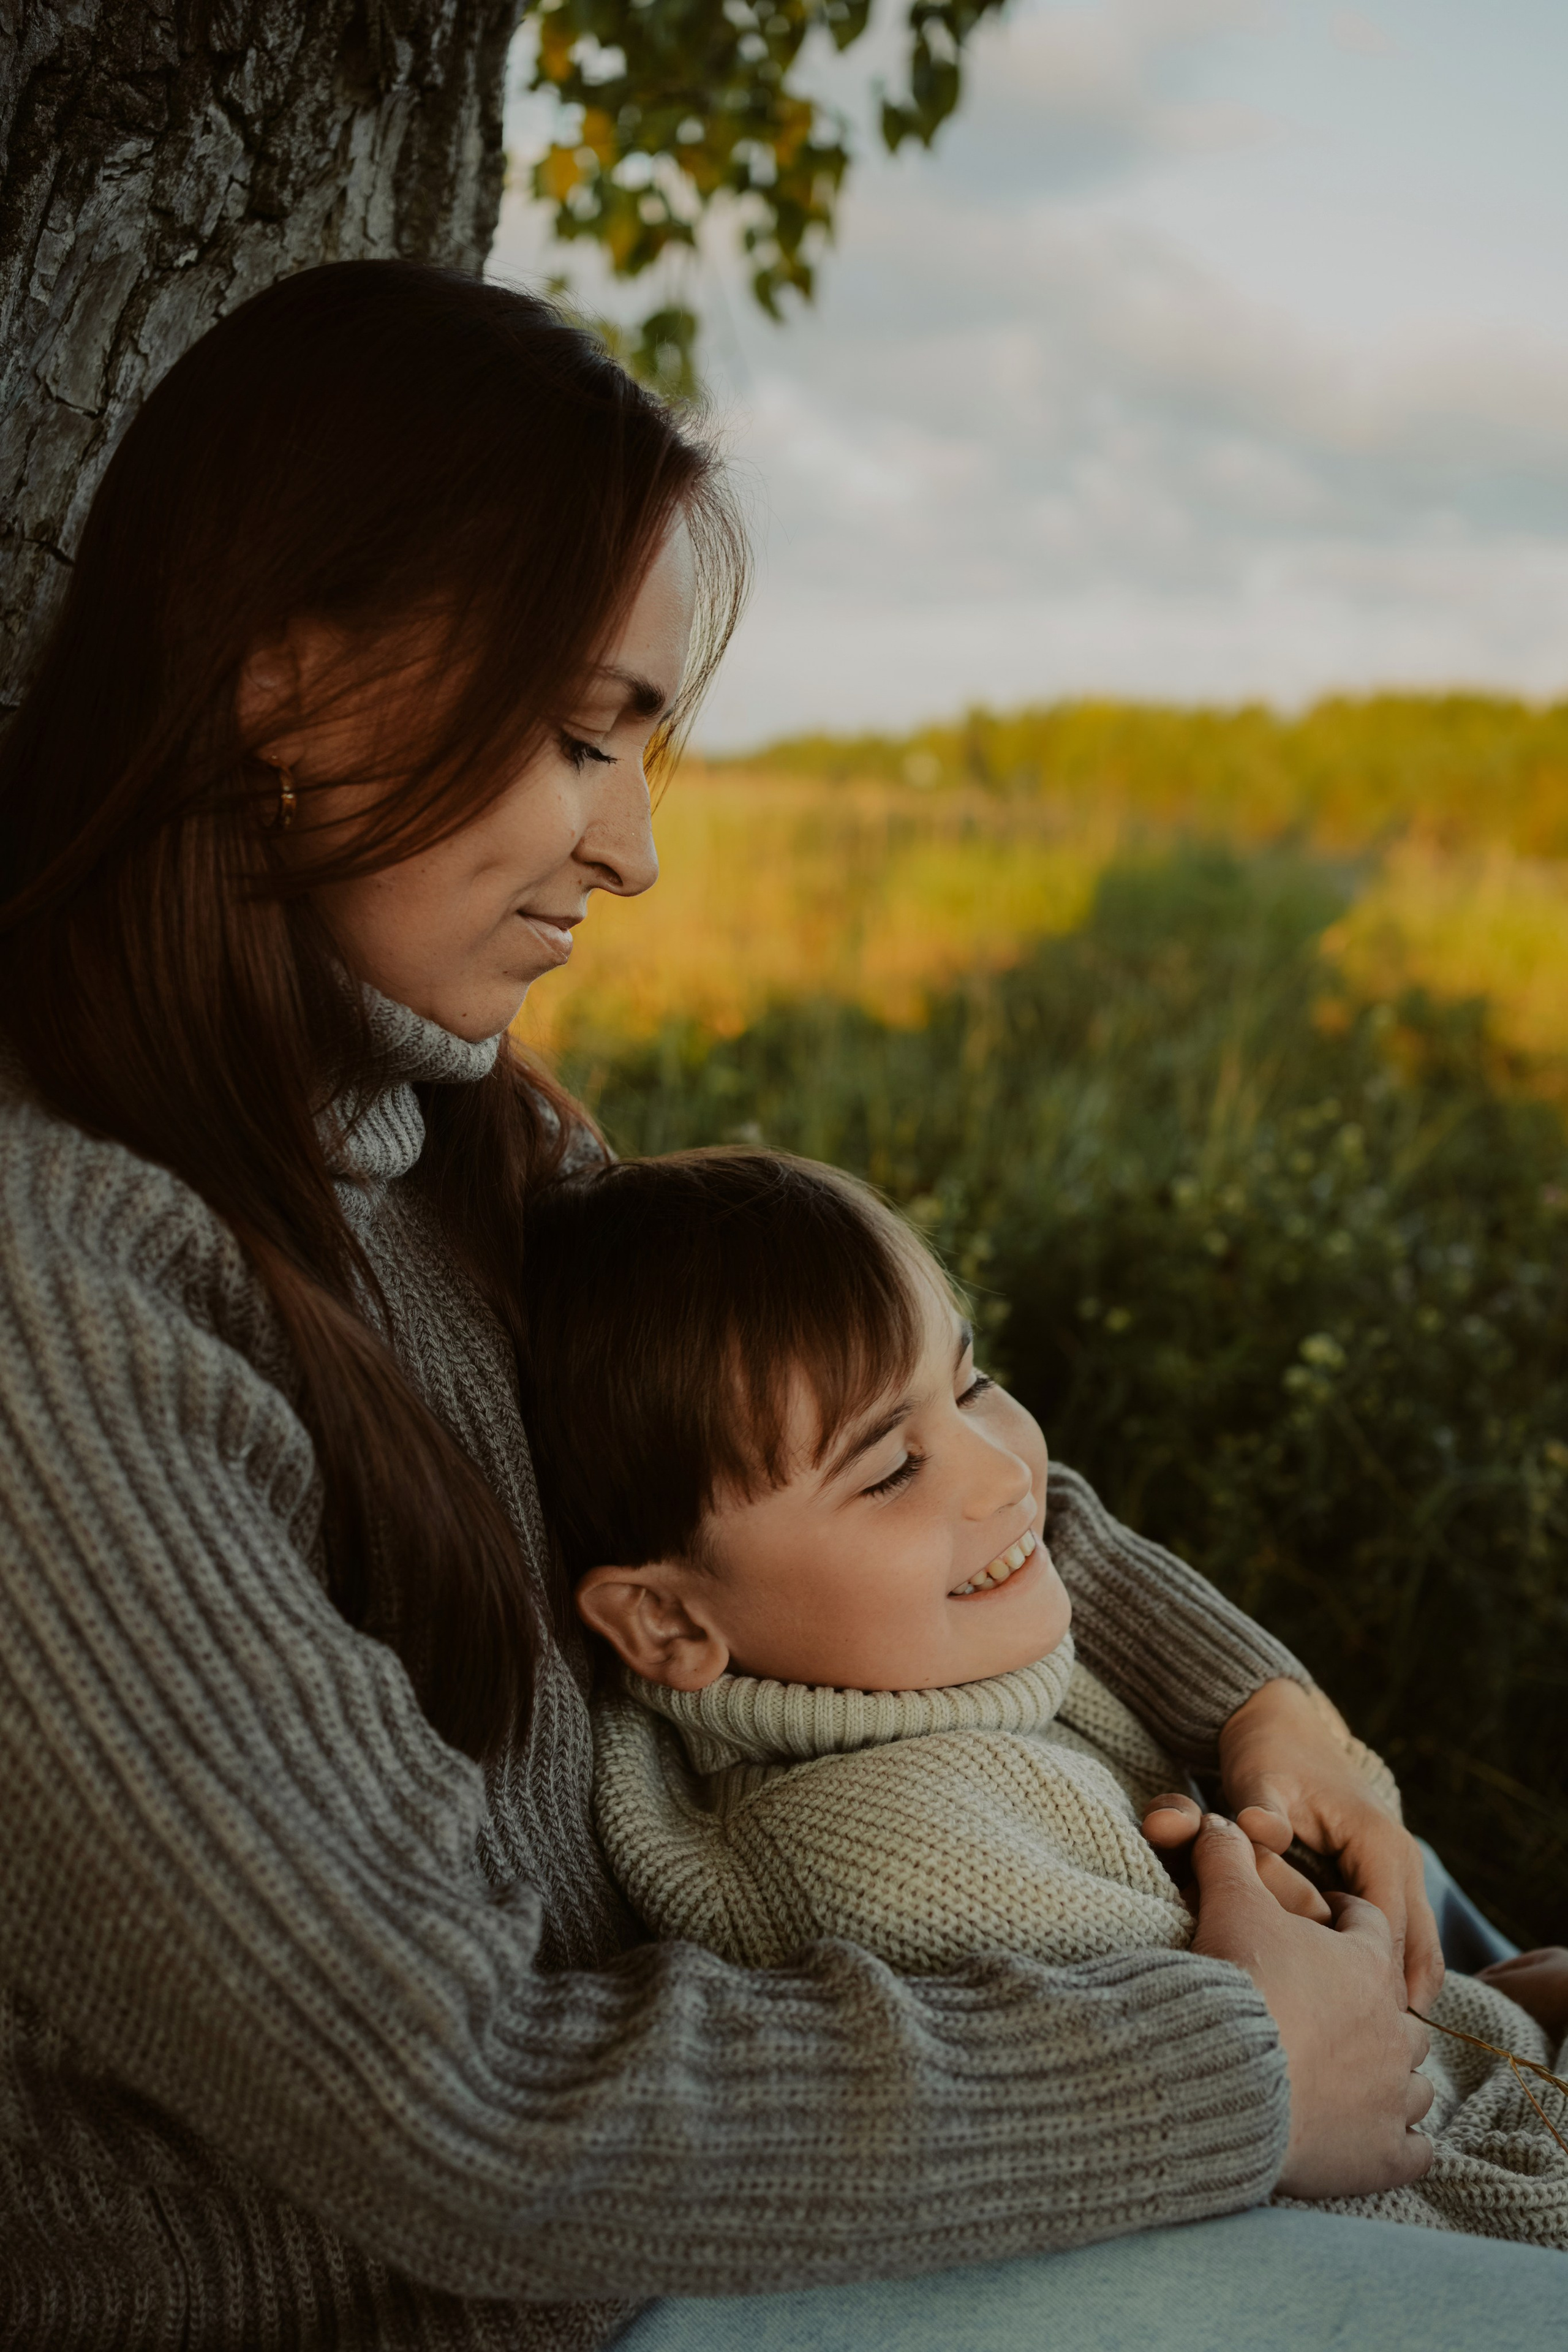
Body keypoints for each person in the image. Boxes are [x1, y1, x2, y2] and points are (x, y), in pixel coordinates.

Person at [0, 260, 1559, 2352]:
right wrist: (1234, 2077)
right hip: (532, 2308)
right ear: (285, 691)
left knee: (1447, 1959)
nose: (632, 849)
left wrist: (1261, 1704)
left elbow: (895, 1442)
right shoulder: (60, 1302)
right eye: (578, 738)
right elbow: (457, 2106)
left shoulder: (442, 1131)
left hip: (784, 2146)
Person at [518, 1146, 1568, 2253]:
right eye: (889, 1471)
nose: (1007, 1474)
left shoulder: (919, 1672)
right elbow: (1366, 2189)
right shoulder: (909, 1858)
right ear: (671, 1625)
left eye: (970, 1383)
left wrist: (1498, 2011)